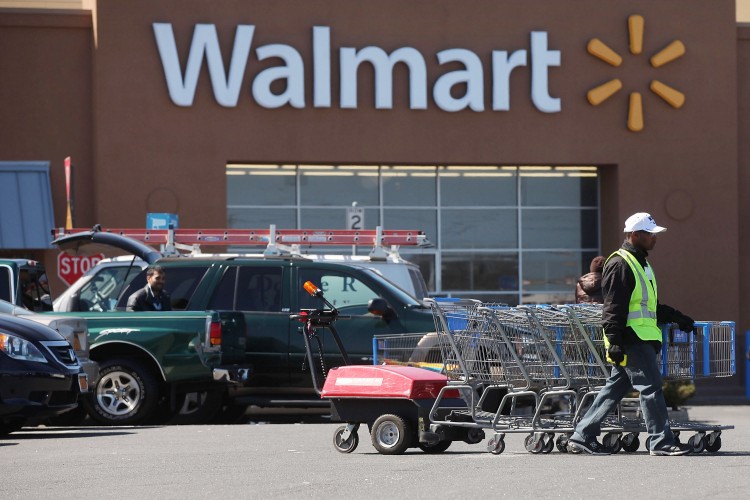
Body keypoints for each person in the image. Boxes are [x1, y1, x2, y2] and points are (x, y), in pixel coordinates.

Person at [568, 212, 696, 456]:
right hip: (631, 338)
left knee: (615, 387)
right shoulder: (621, 263)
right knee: (651, 387)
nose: (654, 239)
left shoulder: (641, 263)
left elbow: (647, 306)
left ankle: (582, 435)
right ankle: (661, 442)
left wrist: (677, 316)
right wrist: (615, 342)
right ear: (635, 235)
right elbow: (613, 308)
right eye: (650, 234)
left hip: (640, 337)